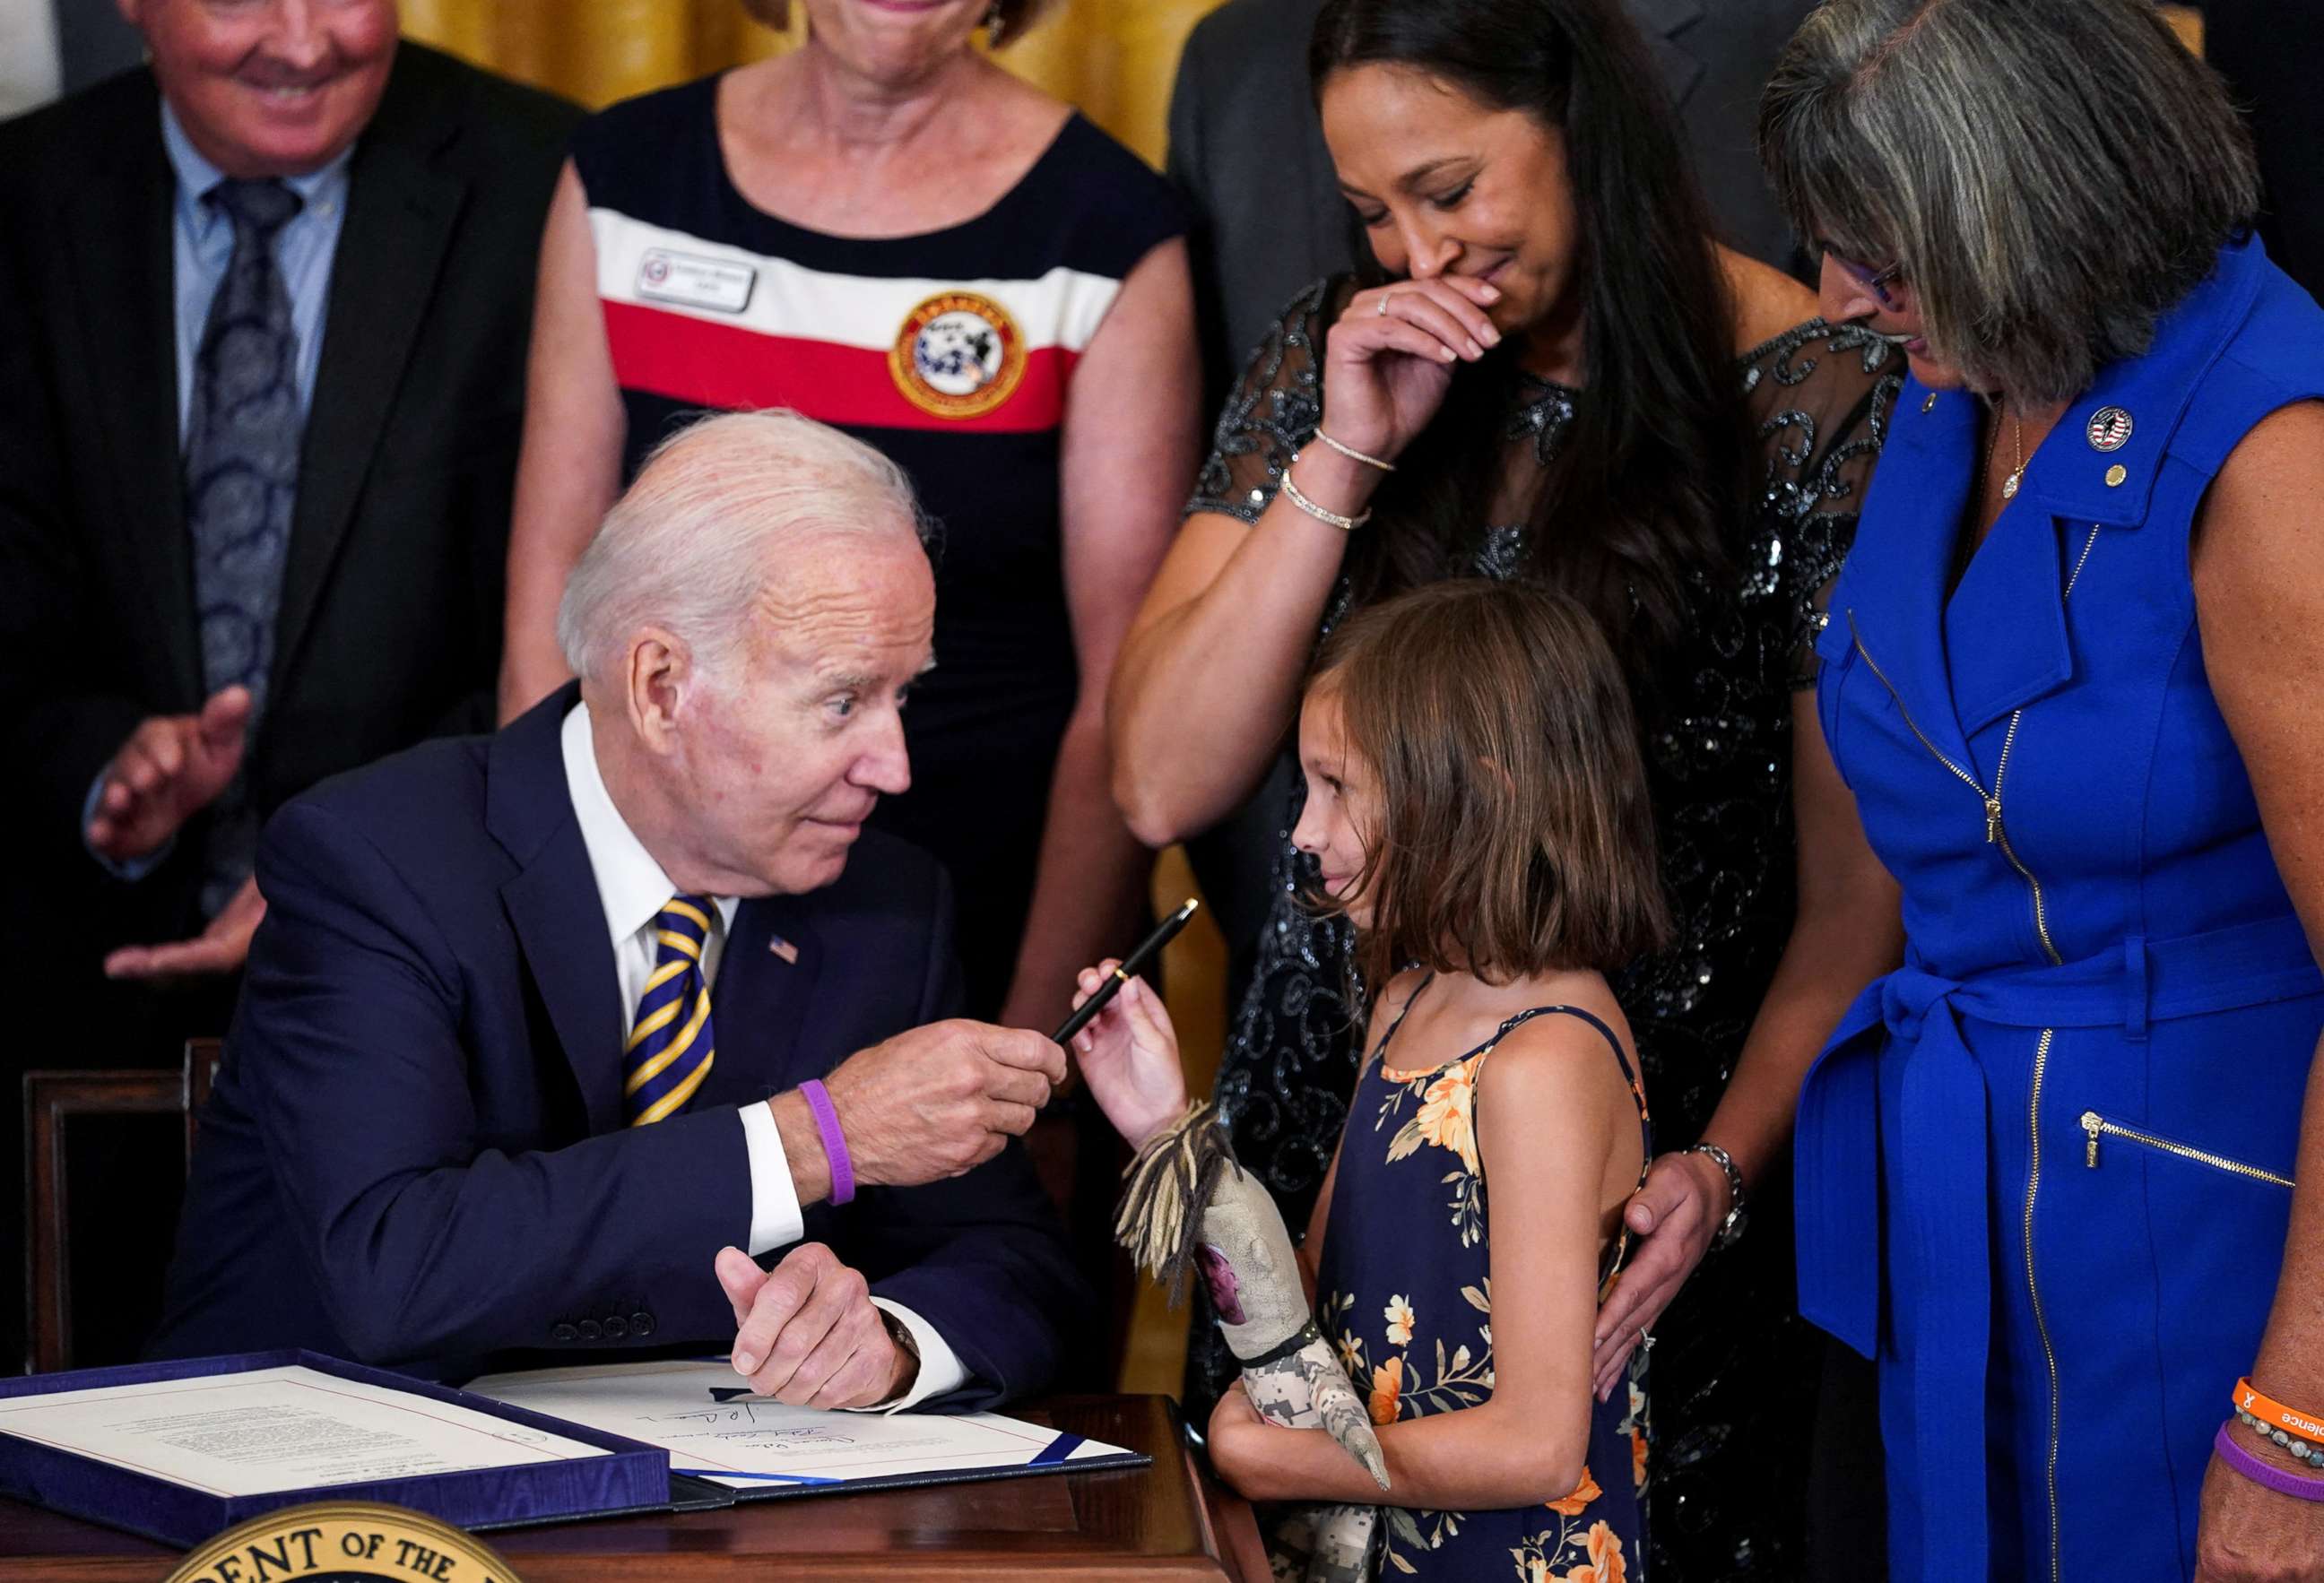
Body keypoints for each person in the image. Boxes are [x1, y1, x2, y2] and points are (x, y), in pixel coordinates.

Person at [1112, 0, 1903, 1574]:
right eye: (1370, 211)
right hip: (1336, 1136)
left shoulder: (1815, 404)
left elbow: (1852, 902)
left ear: (1581, 123)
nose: (1417, 252)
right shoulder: (1342, 352)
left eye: (1450, 189)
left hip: (1621, 1192)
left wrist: (1720, 1171)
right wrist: (1343, 459)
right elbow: (1157, 776)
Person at [150, 411, 1082, 1406]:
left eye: (905, 696)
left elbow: (1012, 1259)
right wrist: (813, 1139)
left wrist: (889, 1341)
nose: (893, 765)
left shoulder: (889, 902)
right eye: (844, 701)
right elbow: (396, 1267)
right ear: (660, 686)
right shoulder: (373, 860)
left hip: (711, 1527)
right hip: (329, 1494)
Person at [1753, 1, 2324, 1577]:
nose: (1843, 303)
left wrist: (2296, 1430)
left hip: (2211, 1240)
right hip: (1966, 1213)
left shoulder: (2277, 452)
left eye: (1882, 258)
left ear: (2033, 215)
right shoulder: (1956, 376)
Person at [0, 0, 577, 1366]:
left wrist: (355, 857)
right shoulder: (21, 203)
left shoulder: (547, 182)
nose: (304, 41)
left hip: (431, 1022)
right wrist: (101, 764)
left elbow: (575, 612)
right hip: (54, 998)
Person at [495, 0, 1201, 1031]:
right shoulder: (625, 177)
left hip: (975, 928)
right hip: (652, 922)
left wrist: (1034, 1055)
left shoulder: (1107, 230)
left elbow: (1123, 701)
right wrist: (565, 966)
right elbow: (550, 629)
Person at [1075, 582, 1663, 1578]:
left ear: (1481, 790)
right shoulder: (1406, 999)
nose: (1304, 831)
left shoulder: (1545, 1060)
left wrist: (1283, 1457)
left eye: (1338, 786)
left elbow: (1537, 1440)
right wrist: (1165, 1121)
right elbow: (1312, 1286)